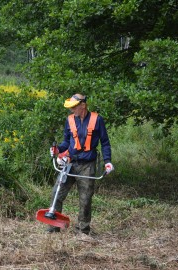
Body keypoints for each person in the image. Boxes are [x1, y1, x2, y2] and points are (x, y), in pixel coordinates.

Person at [48, 93, 114, 235]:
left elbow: (105, 143)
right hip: (69, 163)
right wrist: (58, 149)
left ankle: (82, 231)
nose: (72, 110)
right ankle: (54, 227)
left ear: (83, 105)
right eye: (71, 108)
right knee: (56, 193)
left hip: (87, 165)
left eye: (74, 107)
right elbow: (67, 141)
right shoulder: (70, 120)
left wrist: (108, 162)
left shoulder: (97, 120)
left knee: (85, 199)